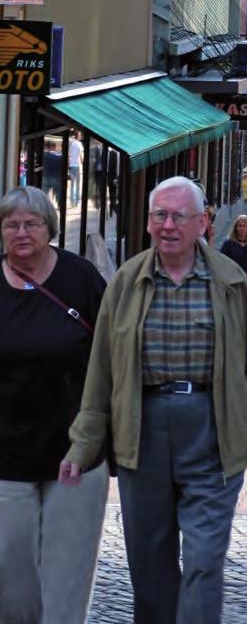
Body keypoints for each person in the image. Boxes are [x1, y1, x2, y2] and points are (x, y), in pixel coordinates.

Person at [60, 176, 247, 623]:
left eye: (178, 216)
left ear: (203, 222)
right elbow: (102, 374)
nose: (167, 225)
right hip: (140, 428)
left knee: (205, 559)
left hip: (212, 427)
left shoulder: (230, 282)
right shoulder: (126, 282)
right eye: (158, 216)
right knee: (149, 563)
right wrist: (83, 445)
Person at [0, 185, 108, 624]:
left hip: (77, 451)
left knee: (66, 582)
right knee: (12, 584)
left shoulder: (80, 278)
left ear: (50, 228)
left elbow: (113, 353)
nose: (22, 232)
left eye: (32, 223)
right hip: (6, 455)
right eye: (11, 224)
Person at [220, 214, 247, 284]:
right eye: (239, 226)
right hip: (232, 282)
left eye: (244, 226)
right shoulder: (228, 244)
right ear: (235, 228)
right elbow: (222, 263)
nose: (242, 228)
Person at [68, 136, 84, 207]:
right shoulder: (79, 144)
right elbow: (81, 156)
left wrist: (69, 164)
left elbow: (69, 155)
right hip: (77, 165)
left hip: (71, 165)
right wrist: (83, 162)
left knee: (72, 184)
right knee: (77, 184)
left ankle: (72, 201)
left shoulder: (71, 143)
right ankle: (76, 202)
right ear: (79, 136)